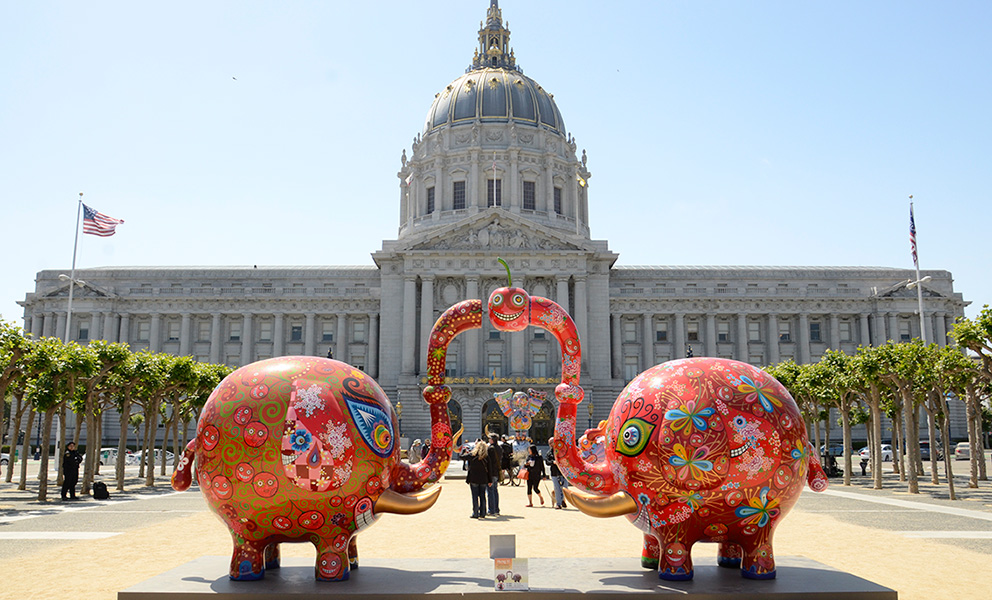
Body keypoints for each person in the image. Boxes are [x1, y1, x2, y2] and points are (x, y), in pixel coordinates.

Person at [466, 440, 491, 518]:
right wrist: (490, 480)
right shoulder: (486, 457)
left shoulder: (472, 455)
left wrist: (467, 451)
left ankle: (475, 512)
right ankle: (483, 513)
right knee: (482, 496)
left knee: (475, 496)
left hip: (474, 478)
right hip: (483, 478)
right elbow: (490, 470)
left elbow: (462, 456)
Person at [545, 438, 567, 509]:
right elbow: (547, 462)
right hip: (554, 472)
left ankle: (562, 499)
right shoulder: (549, 453)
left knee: (565, 488)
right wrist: (553, 462)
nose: (551, 444)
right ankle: (559, 503)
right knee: (557, 488)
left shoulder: (562, 451)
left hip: (563, 472)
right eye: (550, 443)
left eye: (552, 442)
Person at [486, 434, 501, 516]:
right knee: (495, 491)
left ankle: (491, 510)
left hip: (491, 472)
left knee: (490, 491)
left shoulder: (491, 449)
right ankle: (496, 509)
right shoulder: (499, 448)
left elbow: (489, 462)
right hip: (496, 471)